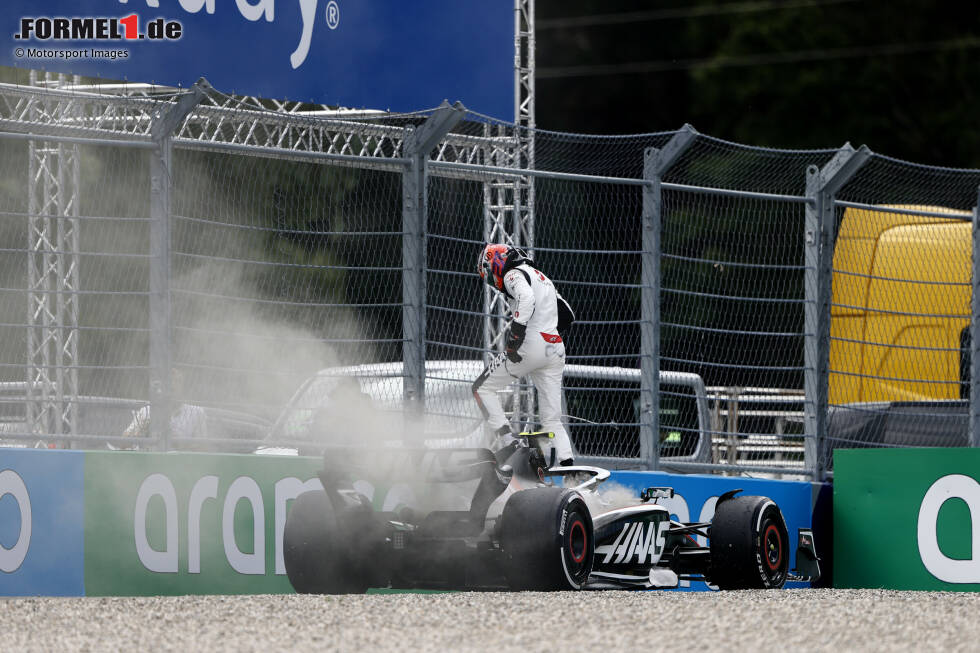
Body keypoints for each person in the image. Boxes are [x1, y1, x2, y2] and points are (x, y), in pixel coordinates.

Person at [472, 243, 576, 466]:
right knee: (552, 420)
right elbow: (568, 314)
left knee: (481, 388)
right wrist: (547, 330)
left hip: (530, 345)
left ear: (496, 263)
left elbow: (526, 298)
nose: (491, 281)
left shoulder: (512, 274)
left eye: (489, 274)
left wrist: (515, 337)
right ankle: (571, 472)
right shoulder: (542, 277)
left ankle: (509, 442)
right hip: (554, 347)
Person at [122, 368, 207, 444]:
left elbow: (204, 449)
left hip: (181, 460)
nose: (172, 384)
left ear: (183, 386)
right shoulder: (146, 411)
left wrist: (178, 442)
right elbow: (123, 444)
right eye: (168, 380)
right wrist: (142, 432)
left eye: (177, 381)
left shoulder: (196, 412)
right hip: (151, 459)